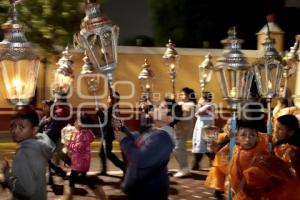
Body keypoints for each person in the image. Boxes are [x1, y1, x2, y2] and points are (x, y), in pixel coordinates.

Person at [114, 98, 181, 200]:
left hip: (149, 191)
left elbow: (140, 159)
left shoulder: (163, 138)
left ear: (170, 118)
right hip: (141, 188)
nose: (156, 108)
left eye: (162, 107)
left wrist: (124, 141)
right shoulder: (154, 129)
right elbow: (137, 139)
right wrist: (123, 129)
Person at [229, 120, 300, 200]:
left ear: (257, 137)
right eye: (243, 135)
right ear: (237, 138)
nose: (247, 139)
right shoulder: (235, 155)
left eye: (252, 135)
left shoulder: (265, 155)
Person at [0, 108, 55, 200]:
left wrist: (7, 173)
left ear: (34, 130)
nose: (15, 131)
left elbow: (25, 191)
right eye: (13, 126)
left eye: (21, 127)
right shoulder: (38, 146)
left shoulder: (25, 153)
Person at [63, 112, 106, 200]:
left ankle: (68, 197)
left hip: (79, 161)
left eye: (76, 121)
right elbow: (90, 139)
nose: (74, 122)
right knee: (84, 178)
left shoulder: (81, 134)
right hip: (83, 160)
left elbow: (78, 147)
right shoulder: (86, 132)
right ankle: (99, 194)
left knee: (72, 178)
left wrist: (68, 144)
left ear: (81, 124)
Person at [98, 92, 126, 175]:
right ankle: (104, 170)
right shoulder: (113, 108)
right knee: (102, 153)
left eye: (109, 98)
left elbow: (105, 121)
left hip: (108, 134)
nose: (108, 99)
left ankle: (123, 166)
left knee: (108, 153)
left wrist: (100, 113)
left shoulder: (113, 109)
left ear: (114, 99)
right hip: (106, 133)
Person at [173, 87, 196, 178]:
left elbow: (183, 115)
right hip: (178, 129)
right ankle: (183, 167)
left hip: (184, 129)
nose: (182, 96)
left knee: (179, 148)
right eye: (181, 94)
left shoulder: (191, 105)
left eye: (184, 94)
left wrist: (174, 105)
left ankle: (184, 168)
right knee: (177, 149)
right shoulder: (180, 103)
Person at [191, 91, 215, 170]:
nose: (199, 99)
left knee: (204, 147)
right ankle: (197, 163)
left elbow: (199, 113)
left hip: (205, 129)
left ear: (205, 99)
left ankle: (197, 163)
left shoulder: (209, 106)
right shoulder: (205, 106)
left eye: (201, 98)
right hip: (201, 128)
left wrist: (199, 105)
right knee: (203, 147)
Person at [273, 114, 300, 181]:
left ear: (291, 132)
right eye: (275, 127)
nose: (275, 131)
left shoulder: (290, 150)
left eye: (279, 129)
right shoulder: (280, 144)